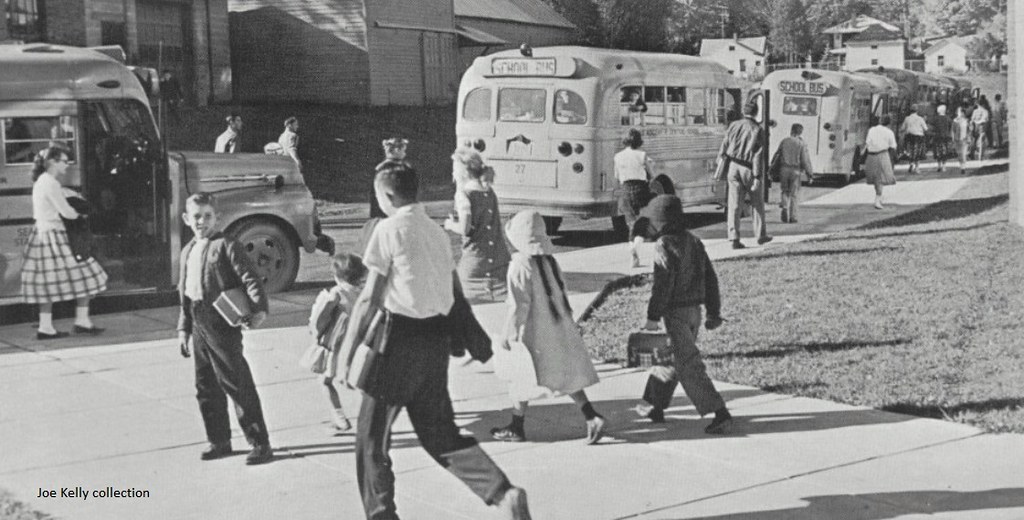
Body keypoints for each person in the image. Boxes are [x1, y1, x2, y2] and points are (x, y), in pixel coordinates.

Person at [339, 162, 532, 520]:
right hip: (434, 343)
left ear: (387, 196)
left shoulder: (388, 229)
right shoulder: (436, 233)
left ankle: (381, 514)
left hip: (396, 343)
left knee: (370, 439)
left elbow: (369, 298)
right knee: (440, 434)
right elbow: (451, 289)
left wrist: (347, 354)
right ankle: (501, 492)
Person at [489, 210, 606, 444]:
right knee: (566, 376)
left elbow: (519, 304)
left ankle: (516, 425)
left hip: (533, 331)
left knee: (519, 376)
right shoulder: (549, 261)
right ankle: (591, 415)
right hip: (557, 326)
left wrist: (508, 334)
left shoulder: (519, 264)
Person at [176, 192, 273, 465]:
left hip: (221, 321)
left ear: (217, 218)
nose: (202, 221)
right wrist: (183, 328)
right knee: (206, 385)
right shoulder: (188, 251)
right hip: (197, 321)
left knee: (236, 381)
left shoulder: (226, 245)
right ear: (186, 219)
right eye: (196, 216)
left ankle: (260, 443)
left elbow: (250, 277)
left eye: (208, 216)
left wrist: (259, 310)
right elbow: (183, 293)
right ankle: (219, 440)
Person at [632, 195, 732, 434]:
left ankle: (720, 412)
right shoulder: (693, 241)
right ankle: (653, 405)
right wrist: (713, 312)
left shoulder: (664, 244)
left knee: (687, 364)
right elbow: (710, 278)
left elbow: (663, 286)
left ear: (662, 222)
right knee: (669, 359)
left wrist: (653, 316)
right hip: (694, 314)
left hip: (674, 313)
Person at [20, 145, 108, 339]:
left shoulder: (45, 181)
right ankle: (80, 321)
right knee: (87, 275)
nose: (67, 165)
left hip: (43, 235)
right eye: (64, 161)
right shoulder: (49, 183)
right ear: (52, 162)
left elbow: (60, 198)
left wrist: (69, 196)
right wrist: (81, 213)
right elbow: (65, 211)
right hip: (54, 237)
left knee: (48, 283)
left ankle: (48, 326)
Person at [309, 252, 368, 433]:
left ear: (336, 276)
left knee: (325, 381)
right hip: (358, 345)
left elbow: (320, 319)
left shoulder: (335, 294)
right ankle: (371, 417)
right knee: (362, 383)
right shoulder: (364, 293)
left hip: (337, 346)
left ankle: (340, 418)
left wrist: (316, 335)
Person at [444, 147, 510, 302]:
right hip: (500, 258)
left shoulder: (463, 194)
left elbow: (465, 229)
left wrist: (450, 224)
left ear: (463, 172)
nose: (453, 174)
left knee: (455, 297)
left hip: (475, 260)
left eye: (454, 169)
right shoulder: (488, 191)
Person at [716, 101, 771, 249]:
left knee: (734, 203)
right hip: (748, 168)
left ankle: (733, 237)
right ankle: (760, 235)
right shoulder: (757, 129)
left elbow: (724, 144)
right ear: (756, 113)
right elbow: (758, 155)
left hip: (733, 166)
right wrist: (757, 177)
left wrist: (720, 161)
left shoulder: (733, 125)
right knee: (757, 203)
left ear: (744, 111)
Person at [615, 128, 654, 266]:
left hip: (625, 190)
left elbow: (617, 176)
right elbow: (652, 174)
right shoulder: (642, 155)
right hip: (640, 189)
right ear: (638, 141)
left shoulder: (617, 156)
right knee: (643, 223)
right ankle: (634, 248)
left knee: (631, 224)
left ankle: (634, 257)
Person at [775, 124, 814, 224]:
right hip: (795, 171)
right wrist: (810, 173)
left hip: (783, 169)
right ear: (800, 132)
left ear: (791, 130)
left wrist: (772, 169)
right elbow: (805, 160)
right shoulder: (801, 143)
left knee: (784, 191)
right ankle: (793, 217)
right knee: (794, 195)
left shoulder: (784, 141)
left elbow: (777, 156)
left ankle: (784, 206)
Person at [369, 137, 409, 220]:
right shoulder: (391, 167)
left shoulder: (382, 167)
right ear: (397, 150)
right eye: (403, 150)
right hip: (388, 212)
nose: (405, 153)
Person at [863, 116, 898, 209]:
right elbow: (893, 146)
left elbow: (867, 143)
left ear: (879, 121)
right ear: (889, 123)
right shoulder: (889, 132)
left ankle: (879, 197)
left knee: (875, 178)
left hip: (871, 155)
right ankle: (878, 199)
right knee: (881, 178)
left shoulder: (871, 130)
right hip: (883, 154)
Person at [900, 107, 928, 174]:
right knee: (918, 152)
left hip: (909, 136)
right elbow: (926, 129)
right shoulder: (920, 119)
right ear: (917, 111)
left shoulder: (907, 118)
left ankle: (911, 163)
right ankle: (917, 168)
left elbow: (902, 128)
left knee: (910, 151)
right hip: (919, 137)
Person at [927, 105, 952, 173]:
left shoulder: (935, 118)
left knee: (938, 151)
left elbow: (931, 126)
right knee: (944, 151)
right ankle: (944, 166)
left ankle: (939, 165)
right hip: (946, 137)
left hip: (937, 137)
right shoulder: (948, 118)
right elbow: (950, 127)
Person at [952, 107, 972, 175]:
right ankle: (961, 166)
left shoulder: (966, 120)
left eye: (960, 112)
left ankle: (963, 168)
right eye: (958, 112)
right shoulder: (954, 121)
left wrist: (969, 137)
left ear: (963, 113)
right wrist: (952, 139)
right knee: (959, 154)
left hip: (964, 139)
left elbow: (970, 130)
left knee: (963, 154)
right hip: (957, 140)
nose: (958, 113)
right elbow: (952, 130)